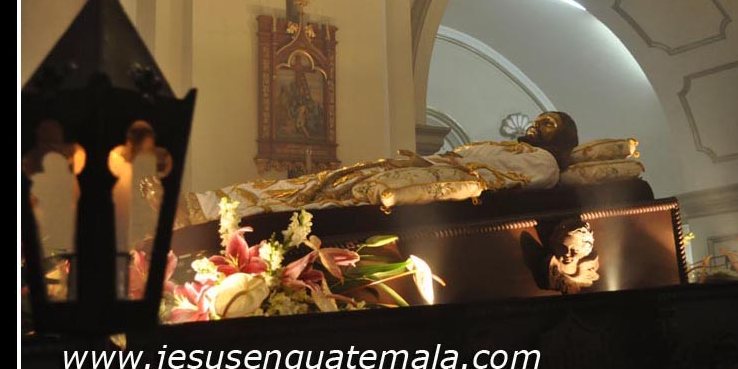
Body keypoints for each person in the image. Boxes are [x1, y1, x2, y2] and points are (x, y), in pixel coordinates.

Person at [178, 110, 580, 226]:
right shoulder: (515, 147)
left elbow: (494, 182)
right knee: (317, 184)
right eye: (539, 119)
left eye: (548, 124)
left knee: (323, 196)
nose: (537, 124)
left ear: (561, 141)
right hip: (417, 170)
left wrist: (440, 174)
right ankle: (205, 204)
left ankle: (210, 210)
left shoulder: (544, 164)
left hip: (424, 179)